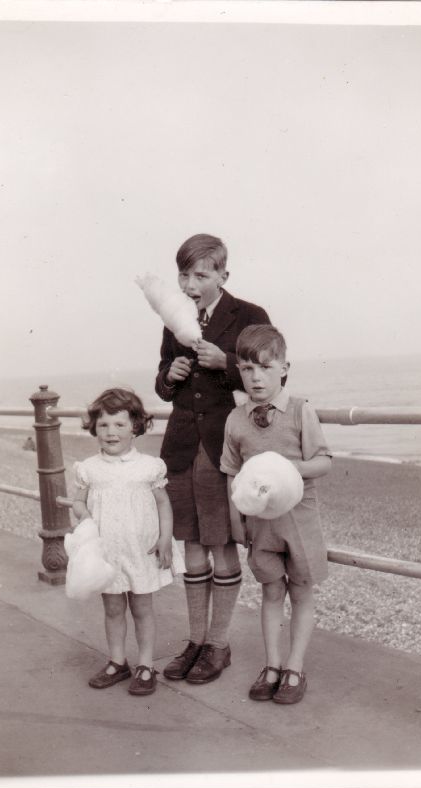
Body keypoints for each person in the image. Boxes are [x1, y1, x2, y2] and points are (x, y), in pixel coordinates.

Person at [156, 233, 271, 683]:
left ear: (224, 275)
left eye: (201, 275)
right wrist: (170, 375)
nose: (190, 284)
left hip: (224, 446)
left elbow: (273, 378)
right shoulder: (174, 316)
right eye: (184, 274)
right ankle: (195, 640)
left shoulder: (250, 315)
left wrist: (227, 362)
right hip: (182, 445)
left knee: (221, 544)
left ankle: (218, 645)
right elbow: (162, 384)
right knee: (191, 546)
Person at [220, 325, 332, 704]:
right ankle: (272, 665)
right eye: (247, 369)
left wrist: (286, 470)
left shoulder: (301, 410)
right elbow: (232, 473)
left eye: (266, 368)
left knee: (300, 591)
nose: (256, 377)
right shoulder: (235, 419)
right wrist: (236, 520)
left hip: (299, 522)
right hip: (260, 526)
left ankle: (294, 667)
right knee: (270, 591)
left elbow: (323, 461)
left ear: (284, 368)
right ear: (239, 371)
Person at [72, 387, 185, 696]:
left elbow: (163, 504)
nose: (111, 432)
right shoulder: (89, 468)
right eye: (104, 424)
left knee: (142, 609)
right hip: (107, 553)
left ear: (135, 427)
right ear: (94, 427)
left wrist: (165, 539)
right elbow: (78, 501)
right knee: (112, 609)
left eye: (120, 424)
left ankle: (146, 664)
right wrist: (85, 517)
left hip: (141, 550)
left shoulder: (149, 467)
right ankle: (117, 661)